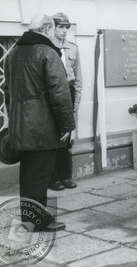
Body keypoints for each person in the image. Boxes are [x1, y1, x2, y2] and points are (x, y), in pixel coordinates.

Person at [4, 14, 76, 231]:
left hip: (21, 124)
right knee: (39, 175)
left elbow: (7, 91)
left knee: (28, 174)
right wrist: (66, 126)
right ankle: (34, 222)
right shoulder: (47, 52)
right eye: (52, 29)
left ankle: (29, 219)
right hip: (42, 126)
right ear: (46, 28)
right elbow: (60, 92)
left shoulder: (12, 53)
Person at [47, 12, 82, 191]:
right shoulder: (46, 47)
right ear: (52, 28)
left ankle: (65, 176)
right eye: (60, 27)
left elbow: (78, 78)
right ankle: (52, 178)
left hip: (67, 92)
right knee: (53, 136)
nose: (63, 30)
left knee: (66, 138)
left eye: (66, 27)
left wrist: (76, 101)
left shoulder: (72, 48)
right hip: (52, 93)